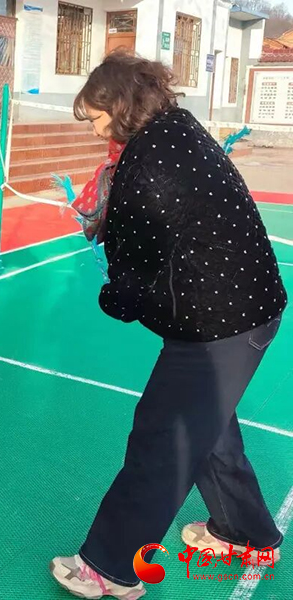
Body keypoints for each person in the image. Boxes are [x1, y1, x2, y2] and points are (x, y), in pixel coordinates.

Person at [50, 51, 287, 599]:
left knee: (164, 437)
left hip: (217, 322)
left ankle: (109, 568)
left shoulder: (146, 167)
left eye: (97, 118)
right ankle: (245, 533)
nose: (96, 130)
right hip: (246, 308)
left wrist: (111, 284)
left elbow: (130, 281)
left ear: (119, 106)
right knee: (208, 428)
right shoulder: (177, 126)